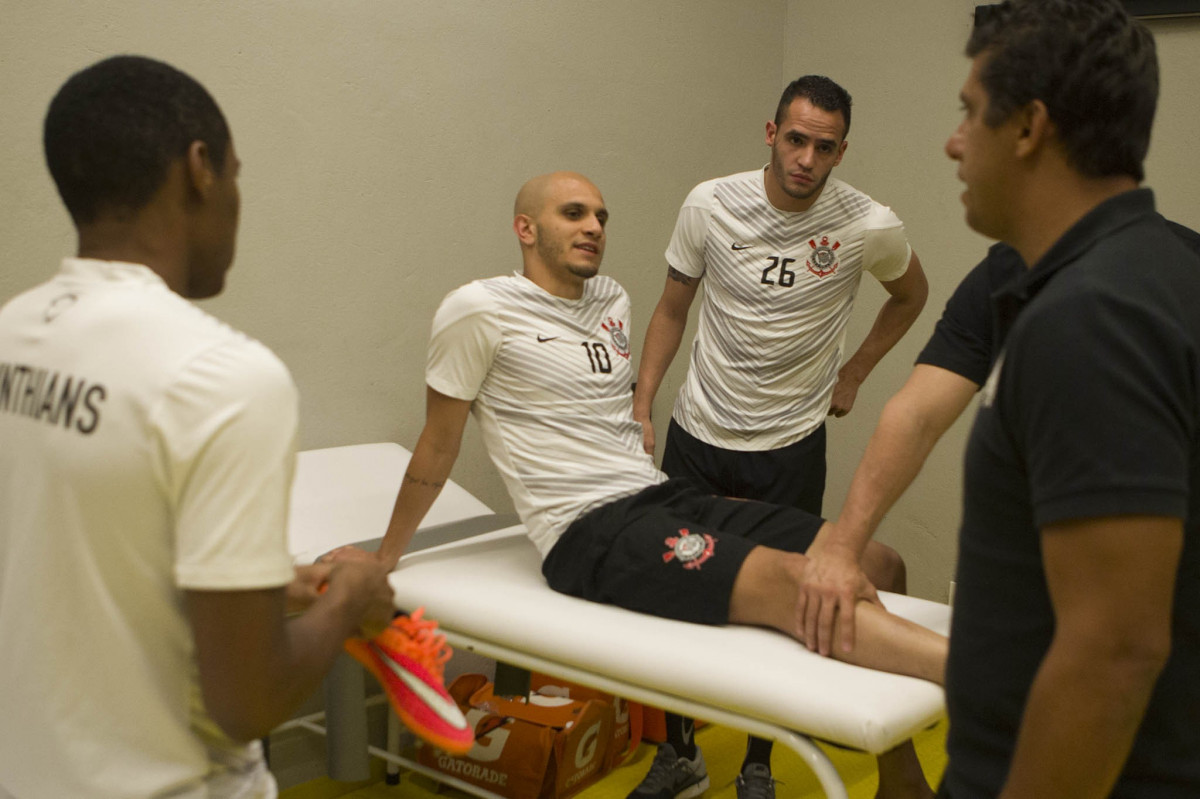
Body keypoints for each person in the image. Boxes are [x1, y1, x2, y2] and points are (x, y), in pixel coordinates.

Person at [326, 170, 947, 799]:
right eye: (573, 213)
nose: (593, 227)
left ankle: (900, 784)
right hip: (588, 532)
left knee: (877, 561)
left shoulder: (611, 301)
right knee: (794, 585)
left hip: (661, 497)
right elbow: (439, 442)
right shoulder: (479, 310)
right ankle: (986, 675)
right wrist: (386, 557)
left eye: (600, 216)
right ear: (526, 228)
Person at [0, 56, 398, 799]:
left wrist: (270, 582)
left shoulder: (11, 334)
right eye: (237, 174)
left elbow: (79, 552)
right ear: (200, 169)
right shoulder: (222, 376)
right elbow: (249, 699)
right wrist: (352, 595)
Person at [630, 74, 929, 798]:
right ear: (771, 134)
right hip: (699, 431)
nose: (806, 158)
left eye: (824, 147)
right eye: (795, 140)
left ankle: (758, 760)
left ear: (841, 151)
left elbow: (912, 293)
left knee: (791, 603)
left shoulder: (867, 224)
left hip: (791, 443)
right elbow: (673, 308)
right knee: (677, 593)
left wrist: (856, 369)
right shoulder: (710, 203)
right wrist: (641, 405)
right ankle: (679, 753)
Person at [938, 1, 1200, 795]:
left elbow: (1114, 651)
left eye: (969, 113)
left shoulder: (1092, 317)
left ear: (1029, 128)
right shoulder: (1161, 272)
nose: (953, 142)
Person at [799, 214, 1200, 661]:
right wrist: (841, 553)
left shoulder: (1180, 269)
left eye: (975, 138)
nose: (955, 147)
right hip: (1029, 577)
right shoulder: (1005, 272)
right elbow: (916, 415)